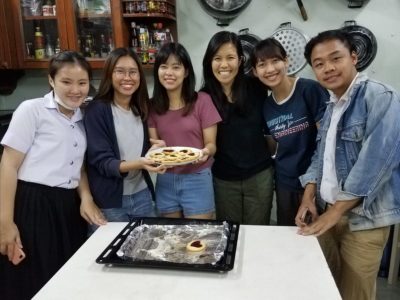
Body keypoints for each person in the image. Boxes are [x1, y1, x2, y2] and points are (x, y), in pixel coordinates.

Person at [294, 29, 400, 300]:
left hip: (362, 221)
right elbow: (321, 157)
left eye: (335, 58)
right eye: (319, 64)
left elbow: (376, 164)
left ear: (354, 57)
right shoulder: (331, 106)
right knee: (326, 288)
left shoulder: (381, 97)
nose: (328, 68)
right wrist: (309, 197)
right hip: (327, 213)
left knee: (354, 294)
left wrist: (334, 214)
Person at [0, 51, 106, 300]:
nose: (75, 90)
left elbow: (77, 165)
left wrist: (86, 197)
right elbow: (8, 166)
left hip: (67, 206)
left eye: (81, 83)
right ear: (51, 80)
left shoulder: (82, 117)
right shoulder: (32, 110)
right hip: (33, 204)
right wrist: (5, 223)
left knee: (67, 275)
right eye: (66, 82)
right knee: (34, 277)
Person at [84, 48, 166, 226]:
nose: (127, 77)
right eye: (120, 71)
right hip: (110, 203)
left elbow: (139, 152)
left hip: (143, 194)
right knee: (113, 252)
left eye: (133, 72)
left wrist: (153, 153)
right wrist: (141, 162)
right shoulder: (98, 110)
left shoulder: (141, 108)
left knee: (148, 249)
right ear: (109, 74)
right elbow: (102, 162)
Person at [251, 38, 328, 226]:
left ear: (286, 61)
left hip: (314, 182)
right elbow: (274, 147)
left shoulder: (309, 90)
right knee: (287, 237)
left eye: (275, 61)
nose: (270, 69)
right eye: (262, 64)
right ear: (255, 72)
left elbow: (325, 143)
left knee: (313, 239)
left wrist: (311, 188)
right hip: (285, 184)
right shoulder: (267, 106)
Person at [201, 31, 274, 225]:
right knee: (229, 233)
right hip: (224, 179)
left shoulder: (257, 86)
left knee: (258, 232)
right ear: (209, 62)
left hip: (259, 176)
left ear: (241, 60)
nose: (224, 65)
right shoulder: (204, 97)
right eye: (217, 58)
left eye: (230, 57)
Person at [148, 42, 221, 219]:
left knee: (200, 237)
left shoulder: (202, 101)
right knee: (171, 239)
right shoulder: (152, 106)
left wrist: (206, 152)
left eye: (176, 67)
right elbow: (155, 145)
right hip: (166, 179)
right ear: (157, 71)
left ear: (186, 71)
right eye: (164, 67)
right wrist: (155, 153)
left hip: (198, 177)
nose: (169, 73)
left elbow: (211, 145)